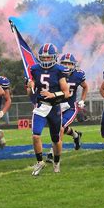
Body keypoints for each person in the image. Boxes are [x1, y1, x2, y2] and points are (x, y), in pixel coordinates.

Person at [27, 43, 70, 175]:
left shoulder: (59, 70)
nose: (45, 60)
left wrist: (53, 94)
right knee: (35, 135)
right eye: (43, 58)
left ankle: (56, 162)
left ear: (54, 57)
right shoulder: (34, 69)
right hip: (41, 106)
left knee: (56, 140)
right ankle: (40, 162)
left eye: (48, 57)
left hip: (54, 107)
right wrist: (31, 85)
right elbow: (31, 90)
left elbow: (66, 93)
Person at [45, 53, 87, 163]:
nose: (67, 66)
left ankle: (52, 152)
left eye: (69, 63)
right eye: (64, 63)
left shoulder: (78, 75)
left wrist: (82, 100)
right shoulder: (56, 73)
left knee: (60, 128)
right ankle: (76, 135)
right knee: (59, 128)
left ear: (74, 65)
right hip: (58, 106)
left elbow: (85, 87)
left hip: (71, 107)